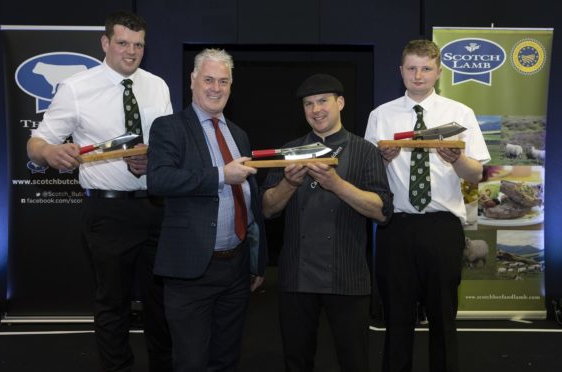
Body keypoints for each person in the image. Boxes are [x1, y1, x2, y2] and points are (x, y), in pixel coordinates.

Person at [26, 11, 173, 372]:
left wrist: (153, 160)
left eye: (138, 45)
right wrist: (50, 153)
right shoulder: (76, 88)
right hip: (108, 214)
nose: (131, 51)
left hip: (156, 207)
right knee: (113, 304)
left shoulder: (158, 85)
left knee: (162, 304)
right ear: (105, 43)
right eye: (123, 43)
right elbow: (37, 143)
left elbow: (169, 145)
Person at [364, 39, 490, 372]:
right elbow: (366, 175)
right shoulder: (380, 115)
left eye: (426, 68)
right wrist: (380, 158)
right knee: (397, 323)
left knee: (443, 321)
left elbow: (476, 174)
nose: (418, 75)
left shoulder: (460, 114)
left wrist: (457, 158)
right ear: (400, 71)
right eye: (411, 68)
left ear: (438, 72)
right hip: (396, 227)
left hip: (442, 227)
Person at [261, 73, 394, 372]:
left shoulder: (364, 151)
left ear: (341, 103)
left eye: (323, 101)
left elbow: (382, 211)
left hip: (348, 276)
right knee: (297, 361)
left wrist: (336, 184)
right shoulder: (289, 151)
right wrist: (288, 184)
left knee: (353, 361)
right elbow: (267, 209)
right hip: (297, 276)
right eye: (309, 104)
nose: (316, 109)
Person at [146, 48, 268, 371]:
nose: (216, 88)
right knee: (191, 362)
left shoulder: (238, 134)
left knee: (226, 360)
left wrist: (257, 260)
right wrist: (219, 175)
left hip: (236, 269)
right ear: (192, 81)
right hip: (191, 271)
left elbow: (249, 202)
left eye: (223, 81)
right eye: (209, 80)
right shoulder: (169, 127)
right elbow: (158, 180)